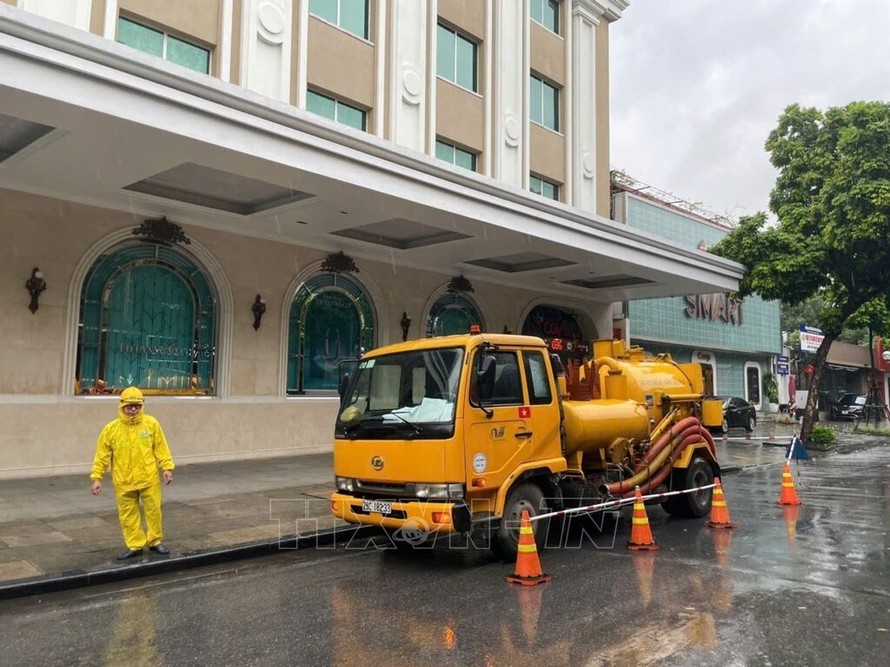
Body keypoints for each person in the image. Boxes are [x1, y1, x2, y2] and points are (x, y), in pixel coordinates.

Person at [90, 387, 175, 560]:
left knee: (153, 511)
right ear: (122, 406)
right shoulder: (111, 429)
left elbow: (161, 447)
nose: (133, 410)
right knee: (128, 514)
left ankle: (155, 541)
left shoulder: (151, 424)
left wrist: (166, 468)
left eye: (137, 406)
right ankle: (135, 544)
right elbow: (102, 455)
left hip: (148, 477)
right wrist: (97, 477)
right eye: (130, 406)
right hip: (123, 480)